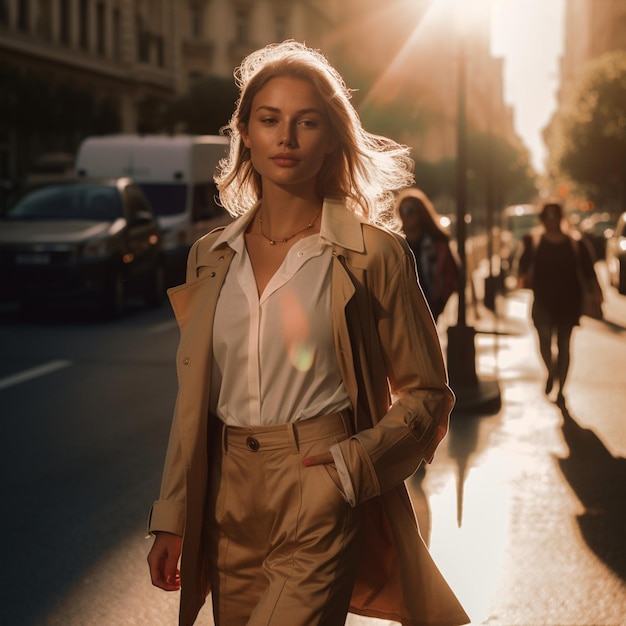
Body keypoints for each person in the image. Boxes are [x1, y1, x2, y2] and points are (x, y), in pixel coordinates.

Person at [146, 40, 469, 626]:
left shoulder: (375, 255)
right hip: (226, 495)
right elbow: (192, 401)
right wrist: (173, 513)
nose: (286, 138)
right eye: (269, 120)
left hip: (319, 484)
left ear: (332, 139)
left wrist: (352, 467)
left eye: (306, 122)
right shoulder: (208, 257)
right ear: (245, 132)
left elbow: (429, 393)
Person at [517, 201, 601, 406]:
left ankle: (561, 390)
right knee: (544, 342)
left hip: (569, 303)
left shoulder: (575, 243)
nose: (552, 220)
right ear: (543, 218)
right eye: (548, 216)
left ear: (561, 218)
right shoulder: (533, 241)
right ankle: (551, 371)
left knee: (564, 346)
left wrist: (596, 294)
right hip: (542, 302)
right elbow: (521, 267)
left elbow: (589, 272)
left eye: (555, 216)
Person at [395, 188, 459, 322]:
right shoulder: (397, 244)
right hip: (403, 307)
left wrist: (439, 301)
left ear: (421, 213)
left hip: (430, 305)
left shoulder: (438, 243)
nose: (405, 215)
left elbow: (452, 275)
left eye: (410, 211)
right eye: (402, 211)